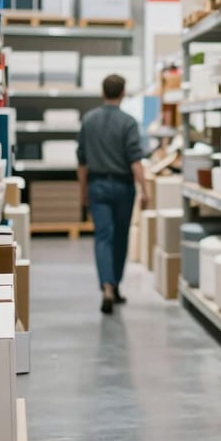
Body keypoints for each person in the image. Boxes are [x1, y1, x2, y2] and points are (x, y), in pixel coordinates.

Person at [77, 74, 149, 314]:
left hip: (97, 185)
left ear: (102, 92)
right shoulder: (128, 122)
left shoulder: (88, 120)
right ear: (123, 93)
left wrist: (83, 191)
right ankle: (115, 285)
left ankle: (107, 286)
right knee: (120, 238)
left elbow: (82, 161)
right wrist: (145, 189)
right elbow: (135, 161)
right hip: (123, 187)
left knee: (103, 237)